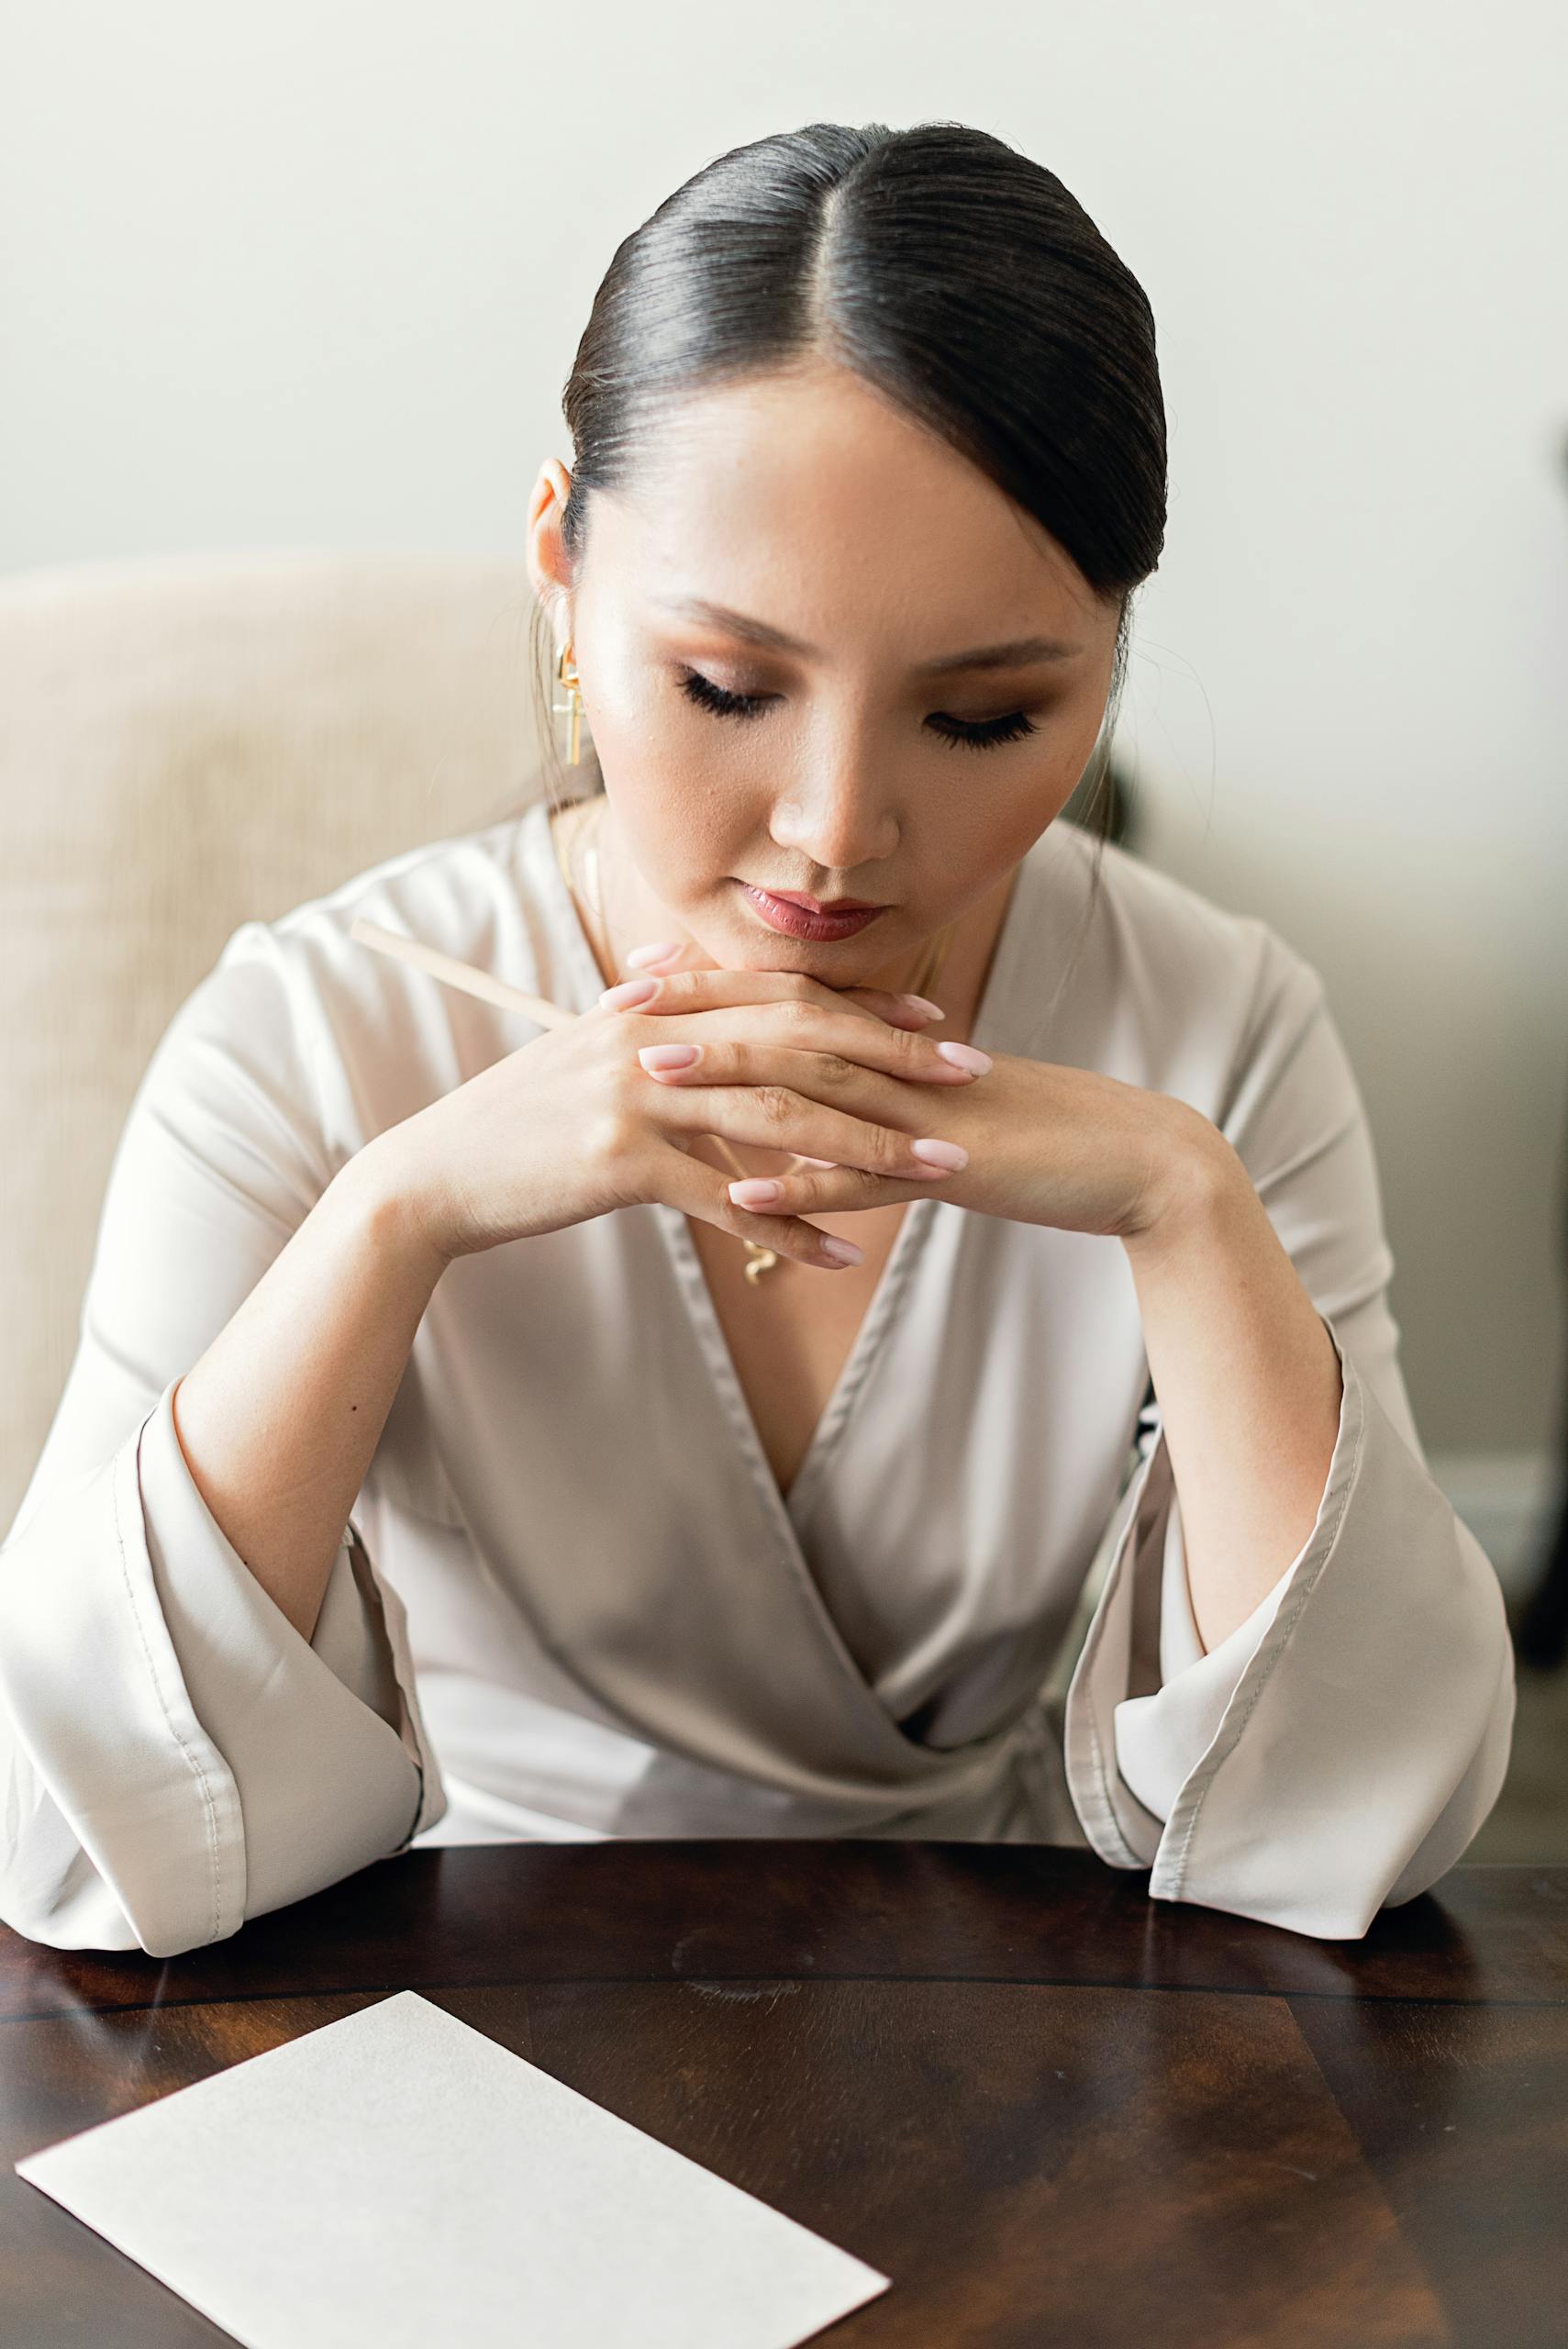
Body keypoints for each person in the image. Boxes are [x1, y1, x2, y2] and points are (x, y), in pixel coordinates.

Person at [0, 120, 1514, 1959]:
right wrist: (395, 1214)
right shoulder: (316, 1032)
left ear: (1107, 659)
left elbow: (1363, 1822)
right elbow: (72, 1840)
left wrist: (1188, 1203)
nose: (835, 828)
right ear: (559, 566)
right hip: (469, 1989)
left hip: (998, 2004)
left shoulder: (1213, 1027)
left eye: (982, 716)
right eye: (727, 686)